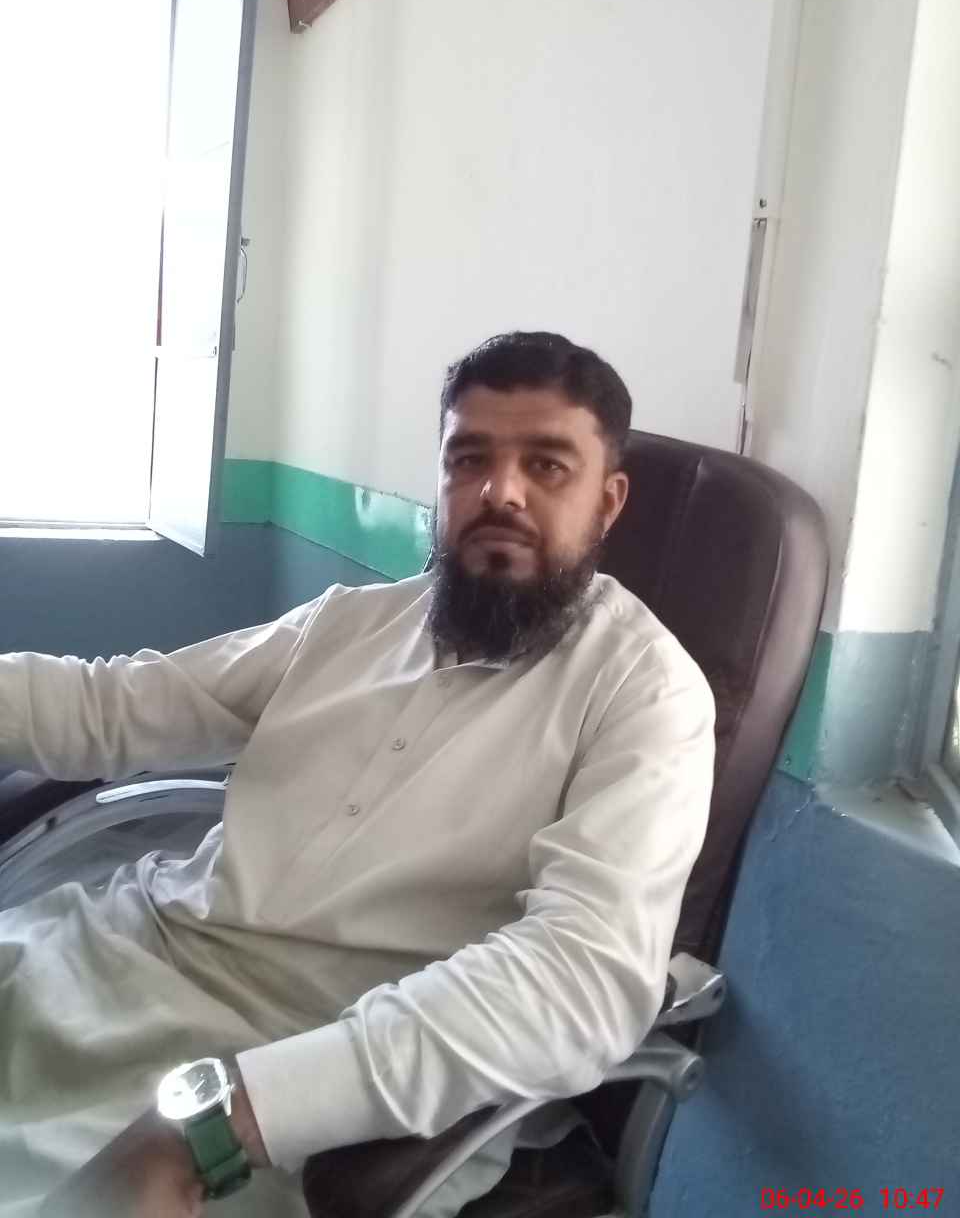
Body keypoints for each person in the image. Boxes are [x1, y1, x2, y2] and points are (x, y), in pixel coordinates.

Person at [0, 331, 715, 1218]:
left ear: (607, 503)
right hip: (115, 954)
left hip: (298, 1061)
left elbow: (582, 977)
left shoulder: (645, 694)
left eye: (546, 465)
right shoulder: (351, 624)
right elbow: (116, 706)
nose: (500, 492)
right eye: (470, 459)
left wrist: (226, 1117)